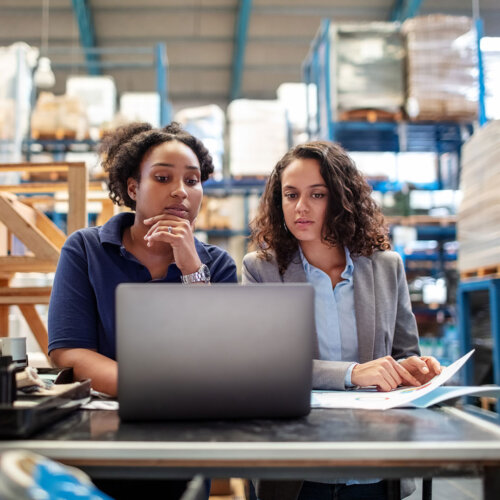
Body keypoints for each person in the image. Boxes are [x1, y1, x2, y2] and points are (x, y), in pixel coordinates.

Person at [242, 140, 442, 500]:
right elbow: (263, 368)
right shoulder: (262, 270)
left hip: (375, 469)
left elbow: (403, 355)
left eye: (317, 195)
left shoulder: (386, 266)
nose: (300, 207)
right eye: (290, 195)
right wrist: (352, 373)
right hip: (297, 472)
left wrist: (415, 371)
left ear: (340, 198)